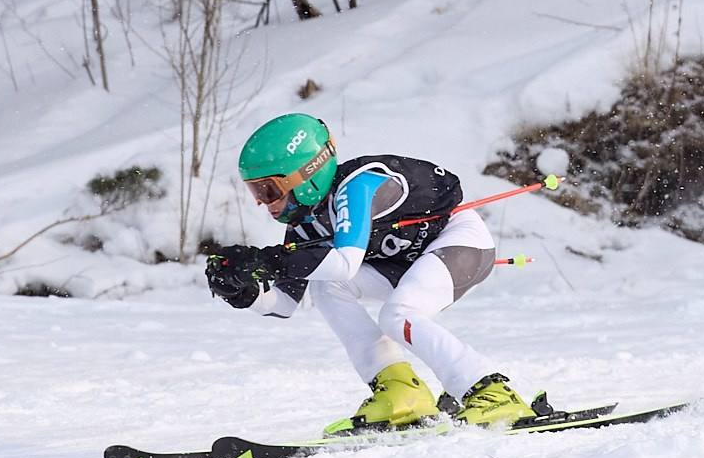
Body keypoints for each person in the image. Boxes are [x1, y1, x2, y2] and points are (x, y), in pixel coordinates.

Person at [205, 113, 536, 432]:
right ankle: (401, 391)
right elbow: (283, 305)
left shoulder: (361, 184)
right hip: (405, 266)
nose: (264, 203)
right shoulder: (305, 225)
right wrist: (242, 290)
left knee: (398, 314)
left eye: (269, 190)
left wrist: (271, 261)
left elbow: (346, 261)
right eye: (255, 192)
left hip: (460, 244)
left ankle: (491, 392)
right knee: (327, 287)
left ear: (306, 175)